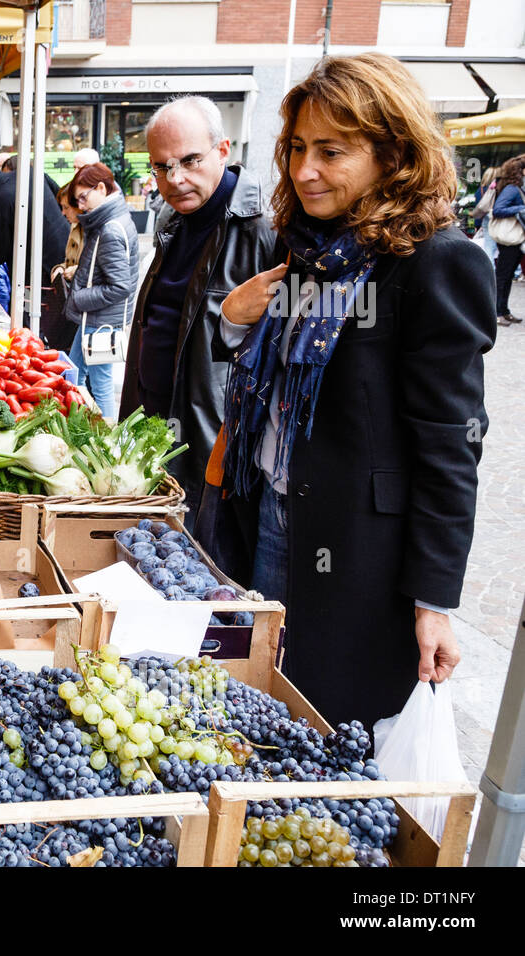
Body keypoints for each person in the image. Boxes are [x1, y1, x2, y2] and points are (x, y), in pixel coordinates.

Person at [213, 53, 495, 729]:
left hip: (354, 556)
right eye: (298, 149)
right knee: (254, 707)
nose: (305, 170)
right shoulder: (307, 249)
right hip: (267, 516)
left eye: (332, 151)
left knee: (322, 723)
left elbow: (451, 444)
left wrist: (433, 601)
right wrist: (231, 319)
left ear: (393, 152)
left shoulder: (436, 262)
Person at [119, 96, 276, 525]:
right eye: (161, 166)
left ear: (223, 150)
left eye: (190, 161)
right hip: (153, 434)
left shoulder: (263, 230)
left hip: (210, 448)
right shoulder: (172, 221)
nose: (175, 178)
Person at [62, 163, 138, 421]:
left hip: (99, 321)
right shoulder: (111, 221)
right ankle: (86, 429)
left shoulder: (109, 229)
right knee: (72, 376)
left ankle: (106, 440)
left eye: (83, 197)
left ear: (102, 188)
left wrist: (80, 297)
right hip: (97, 319)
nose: (81, 206)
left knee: (97, 383)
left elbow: (120, 286)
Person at [0, 160, 69, 315]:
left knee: (39, 314)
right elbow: (59, 195)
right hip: (65, 246)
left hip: (39, 267)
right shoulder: (27, 173)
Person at [489, 154, 525, 325]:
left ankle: (504, 310)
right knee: (503, 276)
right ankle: (496, 312)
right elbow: (498, 209)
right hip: (508, 239)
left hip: (515, 239)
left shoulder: (517, 187)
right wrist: (521, 208)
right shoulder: (512, 188)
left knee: (508, 275)